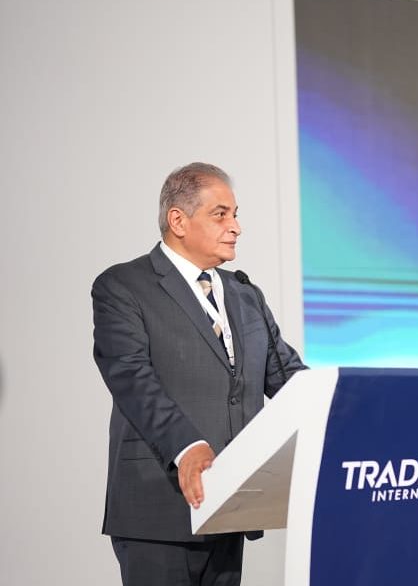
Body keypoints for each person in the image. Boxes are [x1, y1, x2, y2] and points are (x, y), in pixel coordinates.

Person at [92, 162, 306, 585]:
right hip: (159, 508)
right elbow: (132, 378)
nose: (236, 227)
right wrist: (187, 447)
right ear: (178, 221)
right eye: (220, 214)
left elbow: (286, 376)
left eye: (235, 214)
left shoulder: (245, 292)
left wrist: (343, 406)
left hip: (230, 506)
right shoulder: (123, 285)